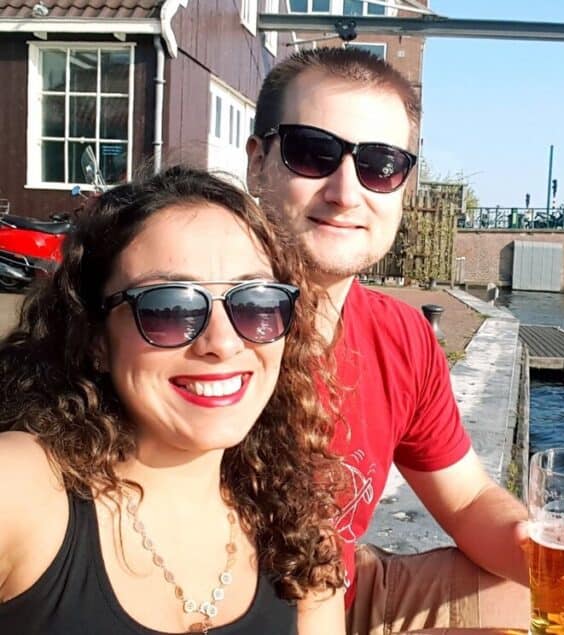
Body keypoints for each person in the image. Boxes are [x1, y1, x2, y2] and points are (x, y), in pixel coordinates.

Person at [245, 48, 564, 632]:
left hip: (350, 587)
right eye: (313, 152)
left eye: (381, 165)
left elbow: (463, 500)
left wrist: (557, 554)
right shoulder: (196, 332)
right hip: (245, 611)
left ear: (403, 185)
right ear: (258, 163)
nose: (346, 190)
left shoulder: (402, 335)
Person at [0, 167, 347, 634]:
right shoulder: (22, 489)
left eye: (257, 302)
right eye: (170, 307)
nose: (223, 343)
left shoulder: (299, 536)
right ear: (96, 338)